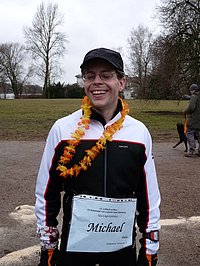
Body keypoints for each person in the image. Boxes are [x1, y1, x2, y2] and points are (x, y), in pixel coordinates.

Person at [35, 47, 161, 266]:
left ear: (121, 82)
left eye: (106, 75)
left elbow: (148, 196)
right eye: (90, 76)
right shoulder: (62, 129)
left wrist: (150, 249)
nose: (97, 82)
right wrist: (48, 246)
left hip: (121, 251)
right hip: (74, 251)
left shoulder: (139, 132)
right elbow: (47, 191)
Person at [183, 83, 200, 157]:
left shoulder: (194, 96)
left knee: (189, 132)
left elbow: (191, 107)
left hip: (194, 119)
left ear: (193, 90)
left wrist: (185, 111)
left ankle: (192, 150)